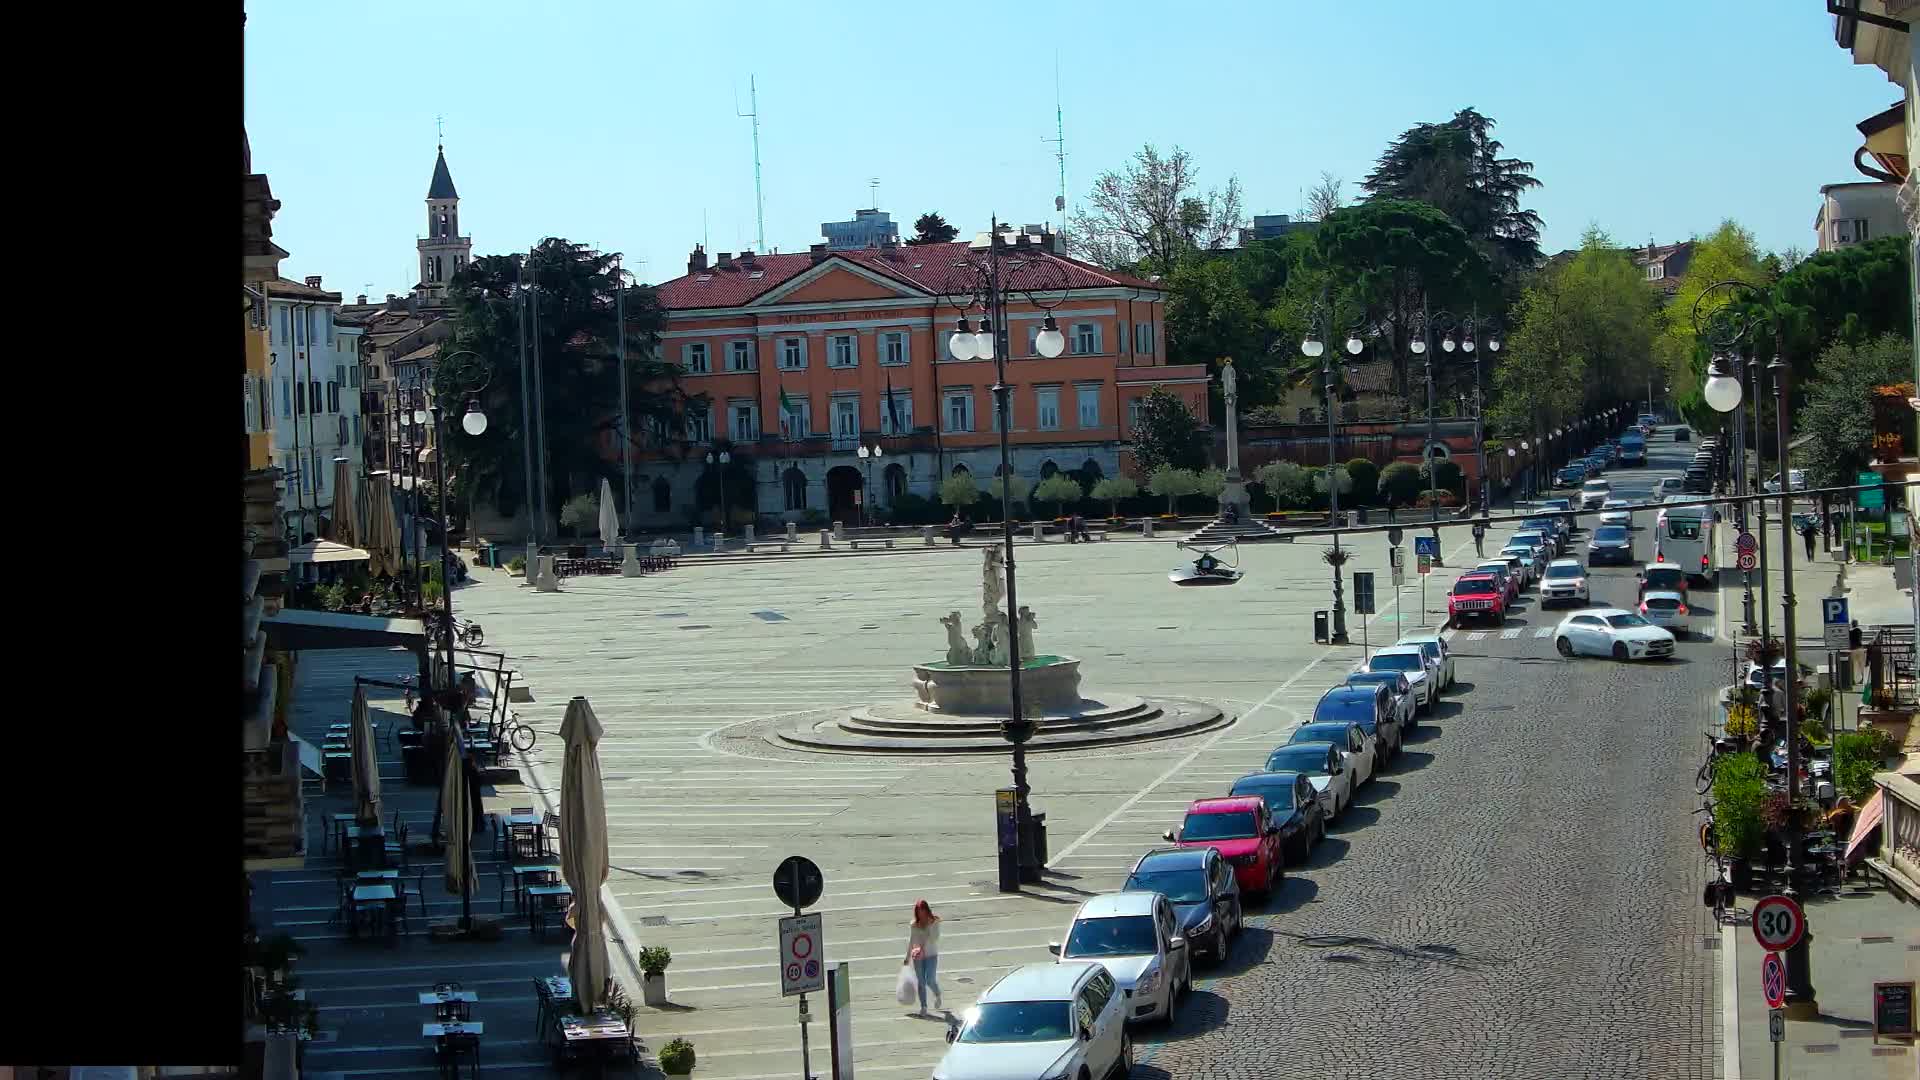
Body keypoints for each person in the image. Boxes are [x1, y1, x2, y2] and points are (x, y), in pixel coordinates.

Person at [903, 899, 943, 1015]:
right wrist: (907, 957)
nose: (921, 914)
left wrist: (930, 925)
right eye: (919, 912)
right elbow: (911, 940)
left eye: (923, 911)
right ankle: (924, 1006)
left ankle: (937, 994)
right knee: (921, 981)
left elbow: (935, 938)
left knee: (930, 980)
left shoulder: (934, 921)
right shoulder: (914, 924)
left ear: (927, 910)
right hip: (918, 956)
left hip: (931, 954)